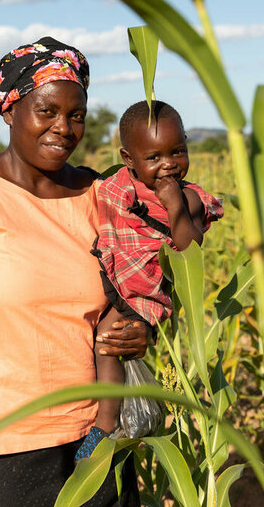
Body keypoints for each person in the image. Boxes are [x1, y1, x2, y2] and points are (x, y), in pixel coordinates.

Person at [0, 37, 147, 507]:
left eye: (76, 115)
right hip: (4, 446)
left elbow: (134, 289)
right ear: (9, 110)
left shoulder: (100, 195)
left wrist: (140, 331)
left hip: (98, 434)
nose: (64, 128)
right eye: (47, 111)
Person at [77, 100, 223, 457]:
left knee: (107, 340)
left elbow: (189, 250)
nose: (168, 164)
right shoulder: (120, 187)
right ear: (129, 159)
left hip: (144, 287)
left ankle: (105, 423)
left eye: (177, 151)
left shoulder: (188, 197)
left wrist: (174, 205)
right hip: (119, 276)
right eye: (153, 157)